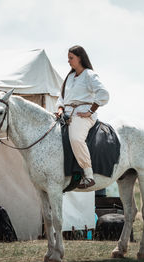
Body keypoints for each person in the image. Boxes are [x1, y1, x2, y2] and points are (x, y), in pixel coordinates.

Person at [56, 45, 109, 189]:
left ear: (80, 58)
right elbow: (61, 97)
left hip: (82, 115)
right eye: (68, 58)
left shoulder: (90, 75)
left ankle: (88, 174)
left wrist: (90, 111)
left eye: (71, 58)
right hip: (66, 115)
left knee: (76, 138)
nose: (68, 61)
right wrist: (60, 109)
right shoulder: (70, 77)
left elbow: (103, 93)